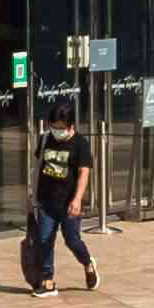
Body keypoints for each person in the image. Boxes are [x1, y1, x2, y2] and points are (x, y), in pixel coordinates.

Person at [22, 111, 100, 293]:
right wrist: (32, 195)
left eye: (61, 128)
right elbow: (37, 168)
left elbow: (84, 172)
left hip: (69, 202)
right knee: (44, 239)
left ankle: (87, 263)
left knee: (72, 240)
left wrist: (78, 199)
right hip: (46, 201)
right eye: (54, 127)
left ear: (71, 126)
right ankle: (48, 280)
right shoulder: (44, 140)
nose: (57, 131)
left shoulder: (80, 144)